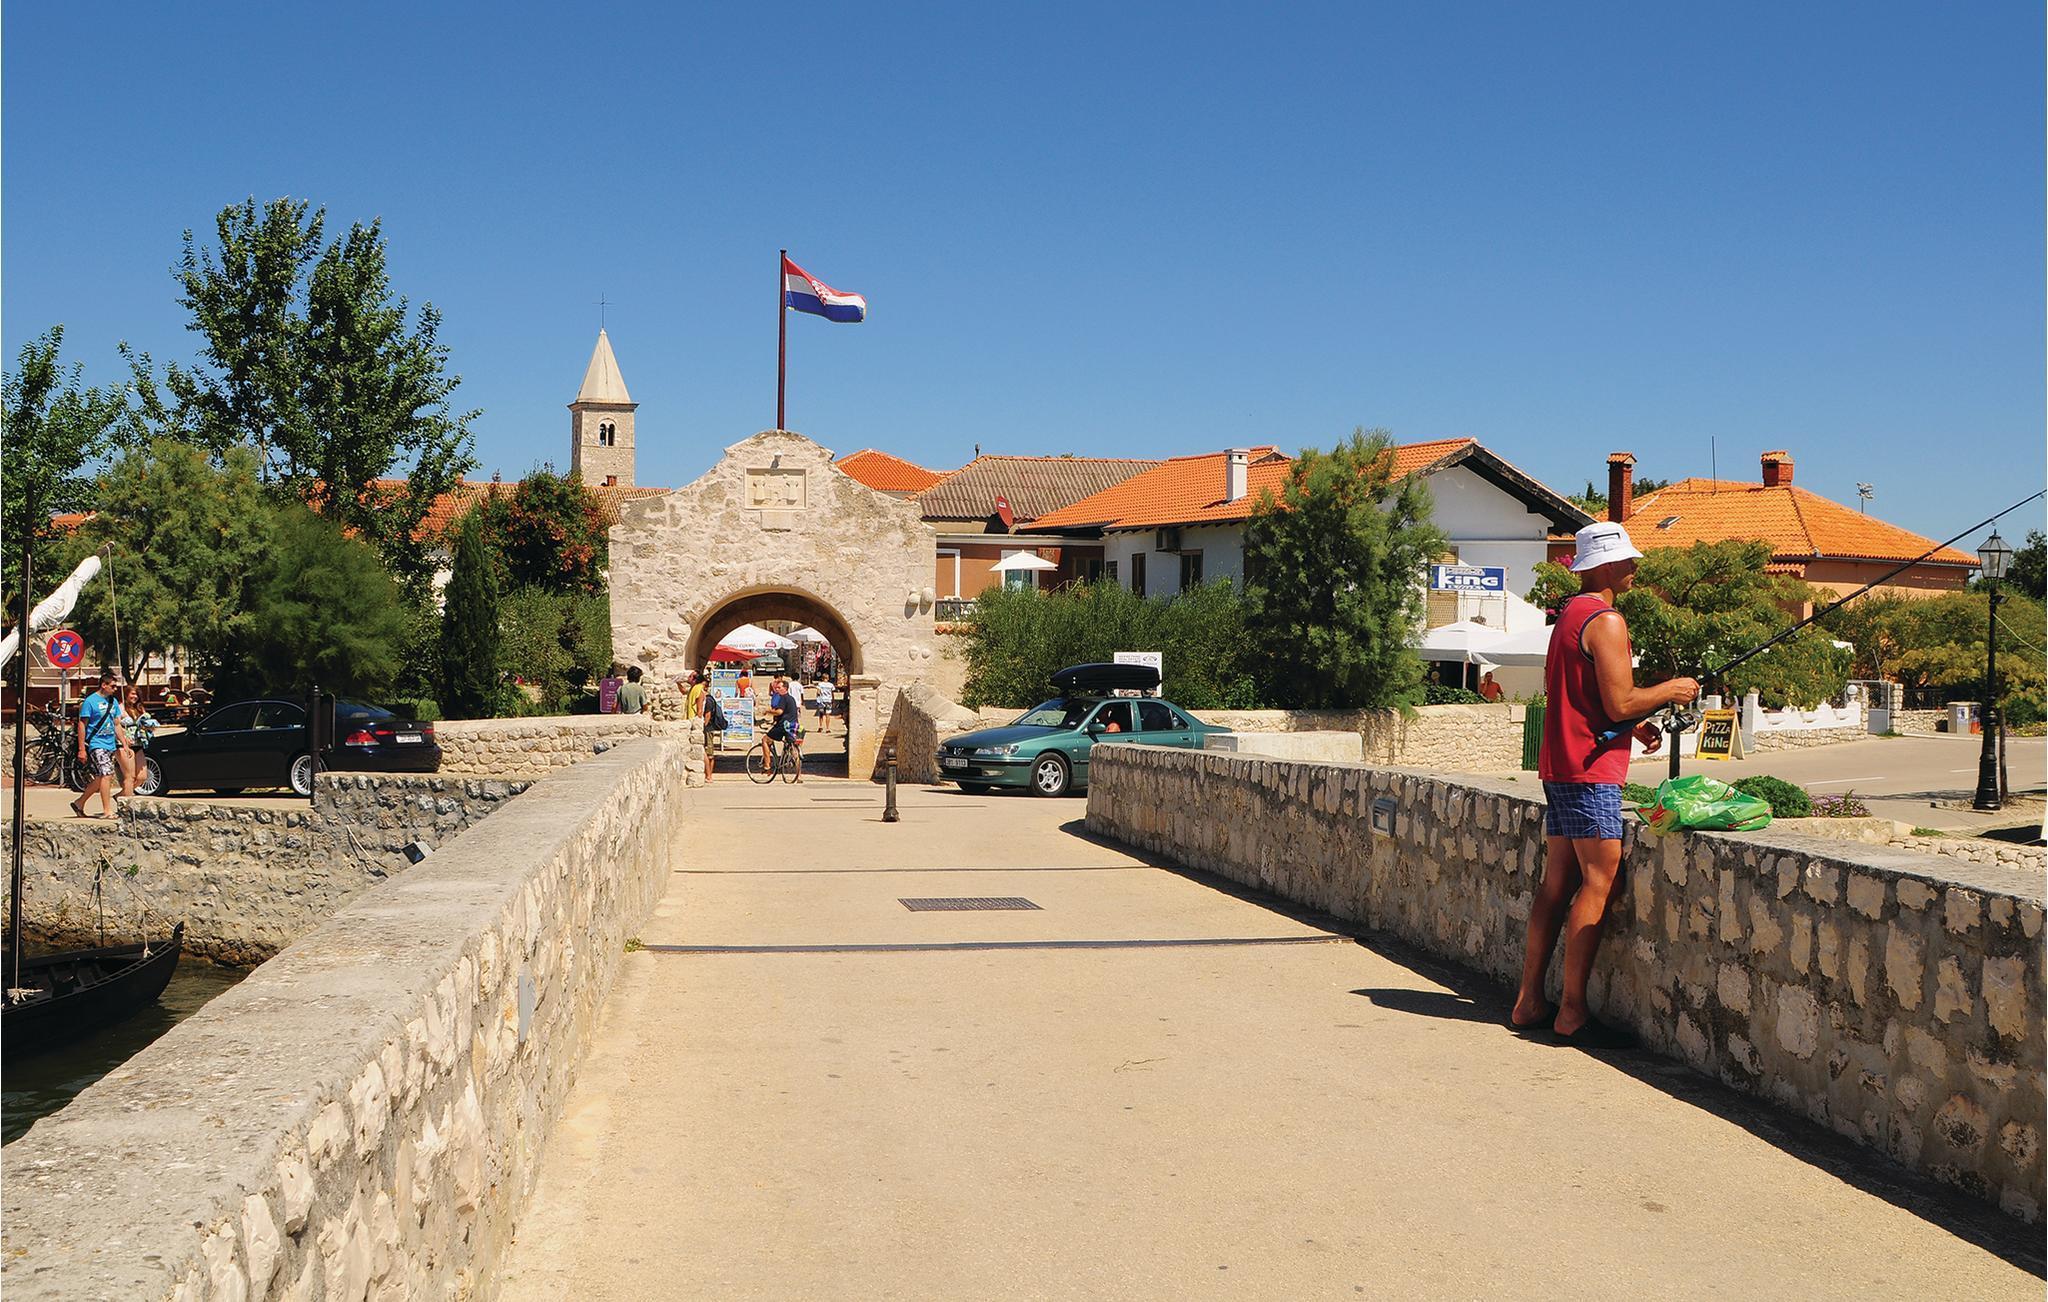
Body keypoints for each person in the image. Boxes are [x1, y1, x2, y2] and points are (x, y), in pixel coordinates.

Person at [1511, 522, 1699, 1049]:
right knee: (1601, 880)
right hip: (1590, 771)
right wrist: (1670, 690)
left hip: (1560, 763)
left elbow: (1584, 696)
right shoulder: (1607, 620)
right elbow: (1618, 702)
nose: (1634, 568)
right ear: (1606, 566)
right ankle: (1572, 1011)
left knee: (1556, 883)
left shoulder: (1568, 615)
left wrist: (1632, 725)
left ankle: (1529, 1000)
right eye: (1627, 561)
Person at [72, 670, 126, 818]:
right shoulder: (90, 702)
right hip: (96, 743)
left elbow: (116, 724)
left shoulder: (113, 702)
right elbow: (82, 725)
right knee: (107, 774)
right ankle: (107, 810)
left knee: (99, 778)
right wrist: (81, 749)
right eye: (113, 686)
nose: (115, 689)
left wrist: (124, 743)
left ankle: (79, 803)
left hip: (110, 743)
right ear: (104, 685)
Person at [117, 684, 157, 796]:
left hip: (138, 743)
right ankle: (128, 801)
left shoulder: (139, 708)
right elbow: (116, 725)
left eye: (137, 695)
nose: (135, 697)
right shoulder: (120, 707)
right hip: (124, 745)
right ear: (126, 694)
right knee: (130, 777)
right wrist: (123, 738)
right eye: (133, 694)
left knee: (142, 776)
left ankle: (121, 796)